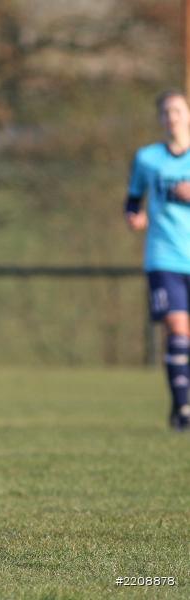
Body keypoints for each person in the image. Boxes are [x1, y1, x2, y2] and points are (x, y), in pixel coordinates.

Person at [125, 90, 190, 430]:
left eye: (178, 110)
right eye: (166, 112)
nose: (172, 117)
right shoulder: (148, 158)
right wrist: (133, 216)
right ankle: (183, 409)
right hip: (164, 257)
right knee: (178, 331)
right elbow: (133, 199)